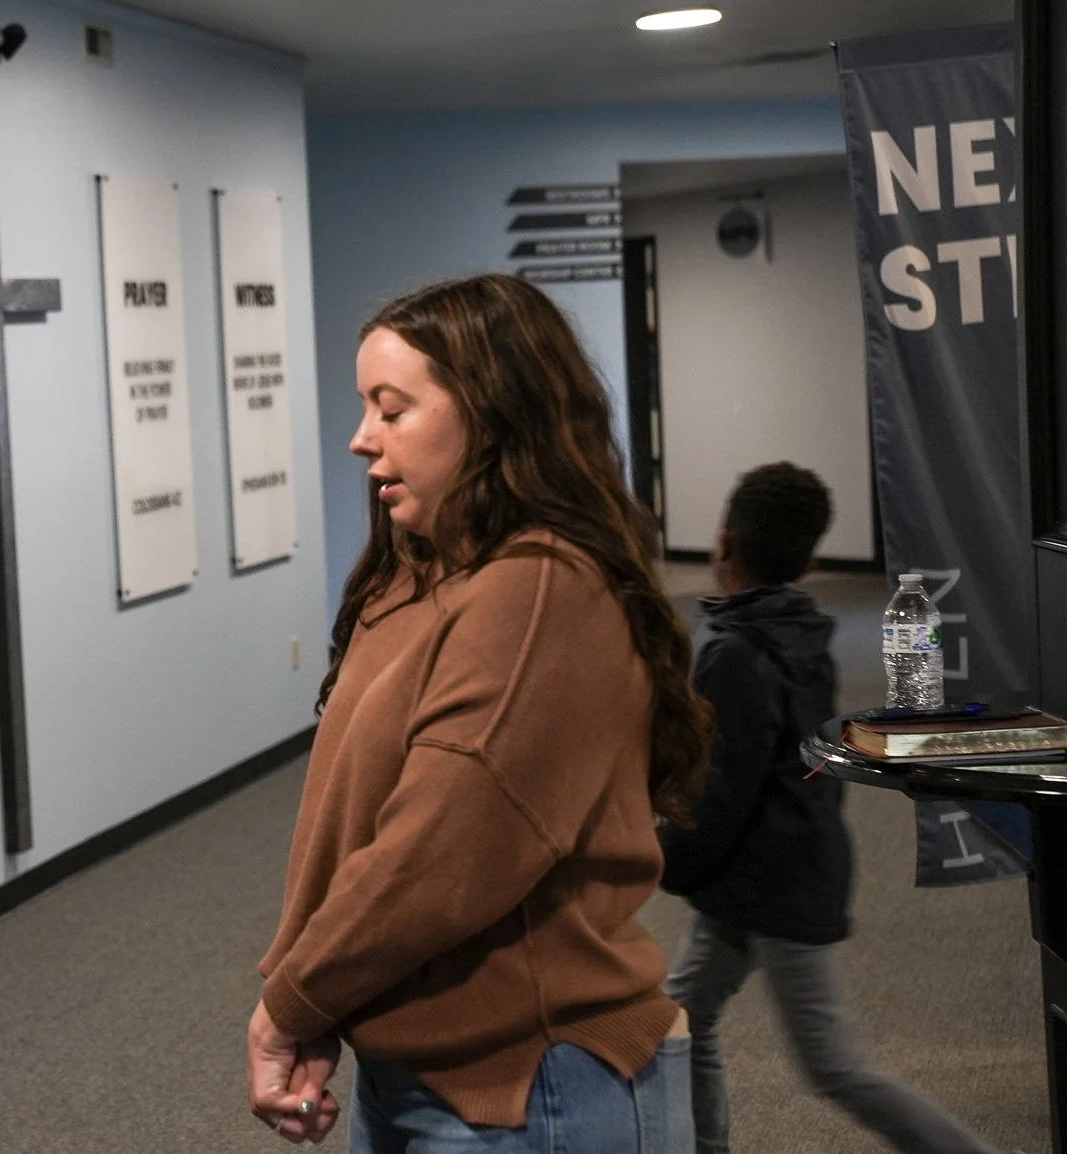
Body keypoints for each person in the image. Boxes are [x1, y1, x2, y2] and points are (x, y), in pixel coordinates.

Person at [249, 273, 707, 1152]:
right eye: (364, 408)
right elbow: (353, 829)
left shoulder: (536, 589)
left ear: (493, 415)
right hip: (411, 1065)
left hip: (536, 1086)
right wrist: (312, 999)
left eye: (392, 409)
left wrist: (290, 1003)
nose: (359, 439)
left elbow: (439, 851)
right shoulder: (418, 571)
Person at [661, 463, 1005, 1154]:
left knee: (834, 1066)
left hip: (775, 884)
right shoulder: (802, 635)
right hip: (764, 875)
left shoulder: (736, 656)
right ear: (812, 559)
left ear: (721, 543)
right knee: (682, 1015)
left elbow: (725, 792)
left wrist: (666, 858)